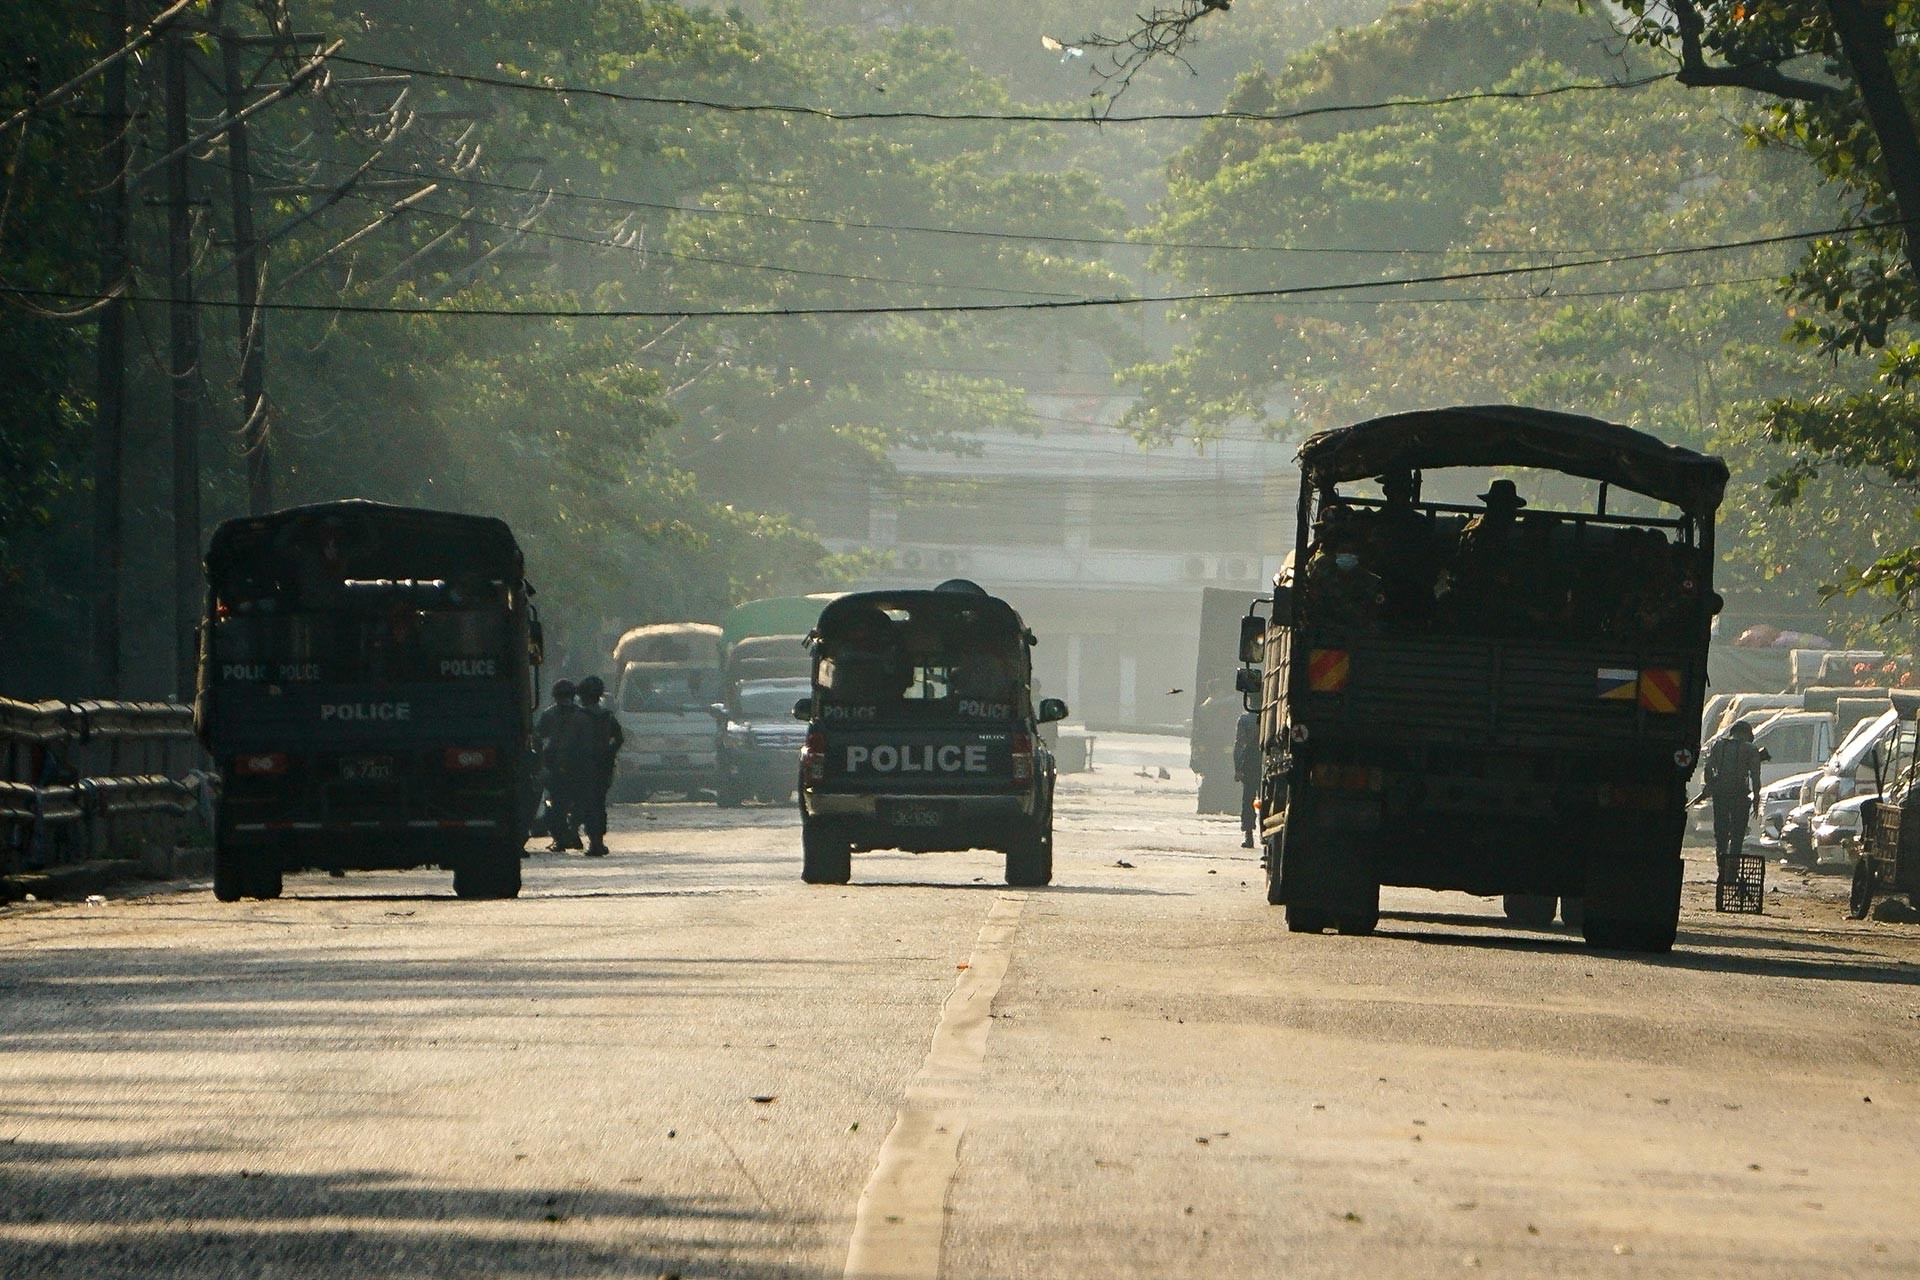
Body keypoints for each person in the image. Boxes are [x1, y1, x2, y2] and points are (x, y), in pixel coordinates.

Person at [569, 674, 625, 858]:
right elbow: (619, 739)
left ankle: (592, 841)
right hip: (603, 766)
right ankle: (597, 841)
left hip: (583, 766)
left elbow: (571, 743)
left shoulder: (578, 717)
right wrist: (609, 753)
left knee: (586, 803)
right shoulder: (607, 716)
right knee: (598, 803)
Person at [1704, 720, 1764, 873]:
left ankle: (1721, 866)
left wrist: (1710, 786)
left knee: (1721, 833)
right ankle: (1732, 870)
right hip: (1739, 797)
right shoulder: (1750, 749)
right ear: (1746, 734)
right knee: (1737, 834)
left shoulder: (1718, 746)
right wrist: (1756, 799)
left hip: (1720, 796)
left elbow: (1708, 768)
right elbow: (1755, 778)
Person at [534, 679, 581, 853]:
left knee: (560, 805)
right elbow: (538, 737)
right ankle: (567, 836)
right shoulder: (578, 714)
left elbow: (538, 737)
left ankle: (566, 836)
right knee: (563, 804)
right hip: (563, 764)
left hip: (566, 763)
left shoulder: (551, 714)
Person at [1233, 708, 1261, 849]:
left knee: (1248, 799)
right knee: (1265, 800)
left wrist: (1238, 767)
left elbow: (1239, 744)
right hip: (1264, 760)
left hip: (1250, 762)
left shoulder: (1245, 720)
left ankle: (1248, 835)